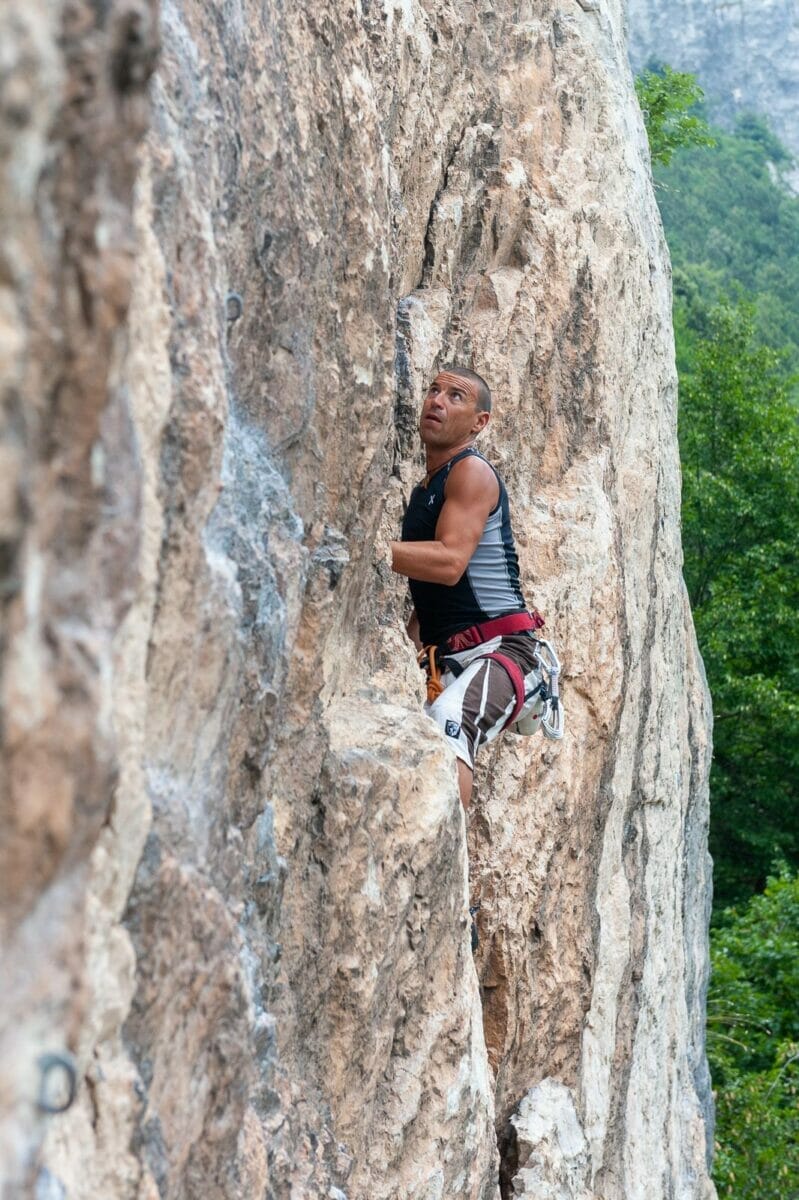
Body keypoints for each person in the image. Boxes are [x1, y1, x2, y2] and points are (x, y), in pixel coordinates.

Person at [390, 366, 542, 810]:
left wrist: (376, 549)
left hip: (505, 648)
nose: (437, 400)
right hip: (450, 655)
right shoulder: (425, 493)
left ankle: (445, 872)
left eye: (456, 396)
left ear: (480, 423)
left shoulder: (471, 471)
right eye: (433, 391)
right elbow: (429, 589)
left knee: (449, 720)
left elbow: (452, 563)